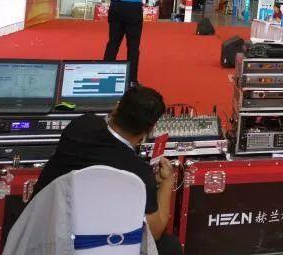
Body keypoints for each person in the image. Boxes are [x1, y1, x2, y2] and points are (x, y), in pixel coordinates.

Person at [32, 86, 182, 255]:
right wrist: (167, 183)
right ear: (150, 129)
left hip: (41, 236)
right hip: (90, 247)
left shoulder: (80, 125)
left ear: (116, 108)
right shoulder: (139, 173)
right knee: (170, 245)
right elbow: (154, 232)